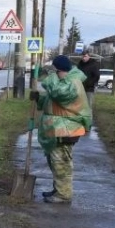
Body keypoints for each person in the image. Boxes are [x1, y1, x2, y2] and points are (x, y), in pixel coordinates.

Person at [32, 54, 93, 203]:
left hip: (66, 129)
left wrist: (50, 77)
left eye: (55, 71)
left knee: (61, 163)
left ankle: (63, 195)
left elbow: (59, 94)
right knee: (55, 161)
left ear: (60, 70)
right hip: (58, 129)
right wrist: (38, 98)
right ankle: (58, 189)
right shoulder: (64, 81)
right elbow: (51, 101)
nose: (54, 74)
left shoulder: (71, 83)